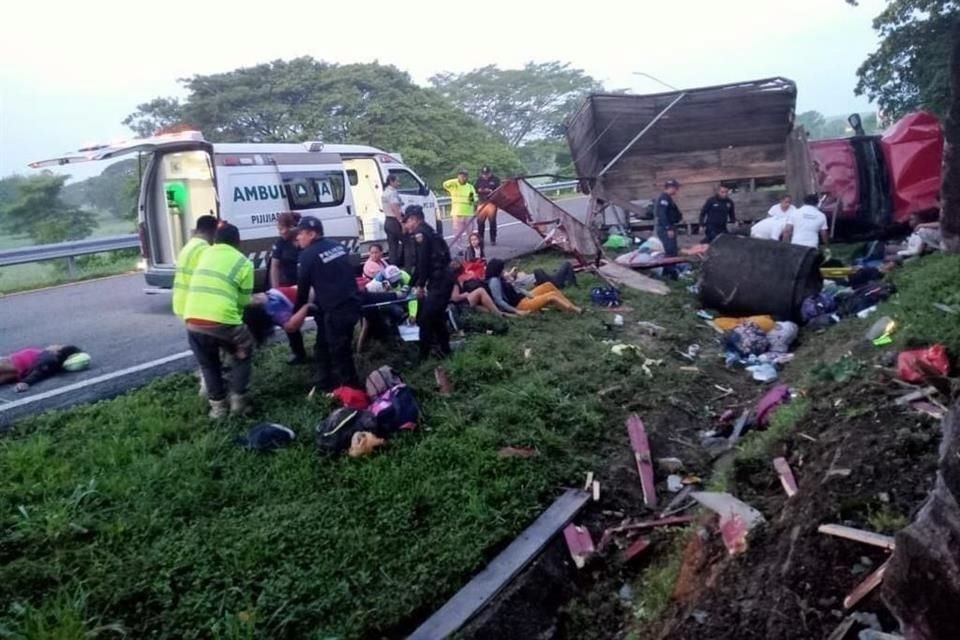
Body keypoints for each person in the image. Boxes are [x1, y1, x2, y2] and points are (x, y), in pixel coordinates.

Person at [182, 223, 256, 419]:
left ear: (215, 240)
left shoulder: (204, 254)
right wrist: (238, 328)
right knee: (244, 352)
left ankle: (218, 409)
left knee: (208, 364)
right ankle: (238, 402)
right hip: (223, 321)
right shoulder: (243, 263)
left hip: (192, 320)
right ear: (238, 243)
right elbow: (243, 301)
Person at [285, 216, 362, 390]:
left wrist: (296, 314)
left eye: (301, 234)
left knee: (340, 353)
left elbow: (303, 289)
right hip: (351, 303)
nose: (298, 237)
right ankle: (325, 382)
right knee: (323, 346)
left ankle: (353, 393)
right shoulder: (337, 246)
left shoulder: (307, 255)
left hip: (337, 310)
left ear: (312, 234)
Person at [401, 204, 454, 360]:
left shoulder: (420, 234)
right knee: (436, 316)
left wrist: (420, 286)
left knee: (425, 318)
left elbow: (422, 262)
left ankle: (422, 358)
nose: (406, 225)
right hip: (443, 278)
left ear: (414, 219)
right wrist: (409, 285)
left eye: (407, 221)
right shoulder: (428, 230)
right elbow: (420, 265)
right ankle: (445, 351)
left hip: (439, 280)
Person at [270, 211, 307, 364]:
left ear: (293, 227)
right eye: (279, 229)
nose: (281, 232)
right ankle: (298, 352)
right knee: (289, 318)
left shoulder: (303, 240)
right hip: (289, 286)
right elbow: (274, 266)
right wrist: (275, 289)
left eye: (283, 228)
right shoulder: (280, 243)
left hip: (307, 284)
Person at [486, 259, 581, 314]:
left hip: (524, 298)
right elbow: (499, 301)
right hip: (520, 305)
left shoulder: (501, 278)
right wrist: (516, 311)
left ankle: (564, 306)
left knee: (548, 285)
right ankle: (576, 310)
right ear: (497, 270)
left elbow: (517, 289)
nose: (504, 271)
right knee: (552, 295)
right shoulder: (494, 281)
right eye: (502, 269)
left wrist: (512, 283)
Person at [172, 215, 218, 318]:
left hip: (181, 303)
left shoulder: (188, 246)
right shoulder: (204, 250)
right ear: (213, 232)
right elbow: (210, 281)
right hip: (194, 306)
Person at [0, 345, 83, 393]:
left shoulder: (51, 358)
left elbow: (40, 371)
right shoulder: (53, 360)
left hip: (19, 362)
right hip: (21, 367)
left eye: (58, 346)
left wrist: (26, 382)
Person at [653, 179, 682, 277]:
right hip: (666, 228)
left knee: (672, 250)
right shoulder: (664, 198)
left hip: (670, 226)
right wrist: (668, 228)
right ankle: (669, 273)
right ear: (672, 187)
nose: (676, 191)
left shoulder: (668, 198)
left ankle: (669, 271)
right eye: (676, 188)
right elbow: (662, 214)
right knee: (670, 250)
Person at [442, 168, 477, 248]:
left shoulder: (470, 187)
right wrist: (456, 180)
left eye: (464, 176)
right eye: (461, 176)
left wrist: (471, 200)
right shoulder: (454, 185)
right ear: (458, 176)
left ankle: (470, 246)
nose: (462, 178)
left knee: (470, 232)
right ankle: (459, 247)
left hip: (468, 213)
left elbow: (473, 198)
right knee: (457, 232)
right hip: (457, 212)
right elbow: (445, 184)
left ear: (467, 177)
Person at [381, 174, 405, 265]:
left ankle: (393, 267)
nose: (399, 183)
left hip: (388, 221)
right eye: (397, 181)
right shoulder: (392, 193)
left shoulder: (385, 192)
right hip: (395, 221)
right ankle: (408, 266)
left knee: (392, 247)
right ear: (391, 181)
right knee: (407, 243)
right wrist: (401, 222)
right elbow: (394, 207)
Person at [474, 166, 501, 246]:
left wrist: (490, 190)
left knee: (492, 221)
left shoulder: (495, 180)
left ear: (490, 173)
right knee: (480, 222)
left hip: (492, 203)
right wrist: (479, 190)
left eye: (487, 174)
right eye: (483, 174)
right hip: (481, 202)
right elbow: (475, 188)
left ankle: (493, 239)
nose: (485, 176)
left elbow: (499, 190)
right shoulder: (479, 180)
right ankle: (481, 238)